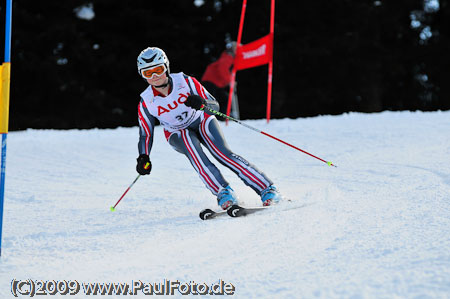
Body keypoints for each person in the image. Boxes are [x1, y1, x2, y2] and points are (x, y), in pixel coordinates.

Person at [135, 47, 281, 210]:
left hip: (201, 120)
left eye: (158, 70)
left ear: (166, 67)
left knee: (223, 154)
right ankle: (223, 192)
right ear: (142, 75)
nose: (155, 77)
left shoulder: (185, 81)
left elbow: (215, 106)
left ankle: (267, 188)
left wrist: (203, 104)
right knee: (193, 150)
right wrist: (143, 157)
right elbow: (145, 135)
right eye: (148, 73)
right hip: (177, 132)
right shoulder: (146, 102)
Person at [201, 42, 237, 118]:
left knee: (223, 99)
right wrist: (229, 81)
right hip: (211, 82)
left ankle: (219, 118)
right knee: (213, 102)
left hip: (213, 83)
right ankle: (215, 118)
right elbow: (222, 69)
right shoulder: (228, 57)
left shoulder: (227, 57)